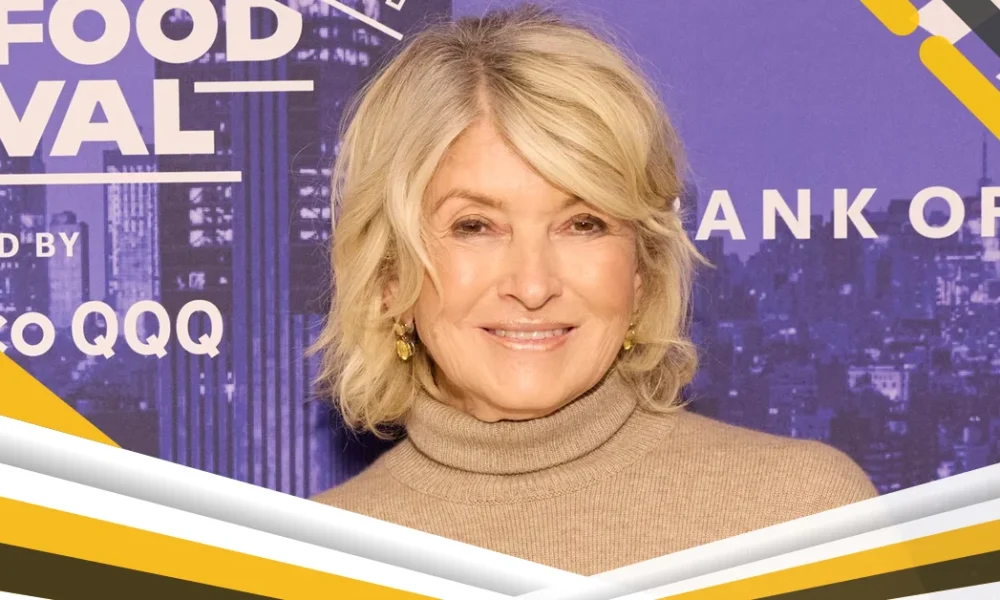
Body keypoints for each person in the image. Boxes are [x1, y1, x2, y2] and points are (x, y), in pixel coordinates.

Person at [310, 3, 878, 575]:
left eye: (583, 224)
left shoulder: (803, 518)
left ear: (640, 270)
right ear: (389, 276)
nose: (533, 285)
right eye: (475, 227)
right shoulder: (312, 566)